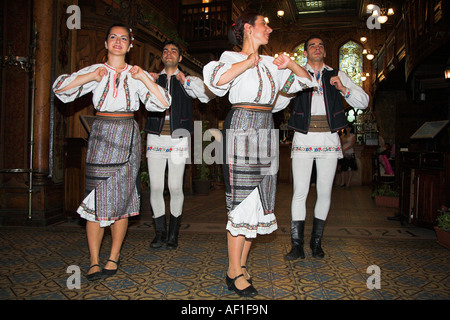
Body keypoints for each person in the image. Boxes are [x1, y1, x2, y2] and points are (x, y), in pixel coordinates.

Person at [203, 12, 313, 297]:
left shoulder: (271, 63)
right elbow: (216, 84)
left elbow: (307, 81)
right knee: (241, 200)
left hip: (266, 126)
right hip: (241, 124)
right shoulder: (229, 57)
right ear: (248, 29)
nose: (270, 28)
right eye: (265, 23)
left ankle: (239, 265)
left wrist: (290, 64)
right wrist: (248, 61)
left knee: (258, 201)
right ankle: (233, 271)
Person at [53, 23, 171, 281]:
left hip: (127, 135)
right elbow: (60, 90)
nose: (118, 41)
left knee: (123, 199)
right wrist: (90, 78)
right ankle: (94, 260)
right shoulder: (95, 70)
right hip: (101, 134)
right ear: (106, 44)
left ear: (130, 46)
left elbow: (162, 103)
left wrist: (143, 79)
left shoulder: (136, 73)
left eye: (124, 38)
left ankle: (113, 256)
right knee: (95, 197)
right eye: (113, 37)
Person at [285, 35, 369, 261]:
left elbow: (364, 101)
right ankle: (297, 246)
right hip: (303, 138)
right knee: (300, 192)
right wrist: (292, 84)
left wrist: (343, 88)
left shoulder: (337, 74)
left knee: (324, 191)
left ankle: (316, 243)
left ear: (324, 51)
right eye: (312, 45)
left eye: (321, 45)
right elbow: (280, 99)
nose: (317, 48)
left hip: (330, 141)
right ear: (305, 53)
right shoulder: (295, 74)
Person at [144, 40, 214, 250]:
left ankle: (173, 234)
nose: (169, 54)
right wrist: (149, 81)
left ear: (179, 58)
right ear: (162, 56)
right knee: (156, 187)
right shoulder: (152, 79)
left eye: (173, 51)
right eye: (165, 51)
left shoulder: (188, 80)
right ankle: (160, 233)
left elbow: (205, 97)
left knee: (175, 186)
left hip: (178, 138)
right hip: (155, 137)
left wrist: (186, 82)